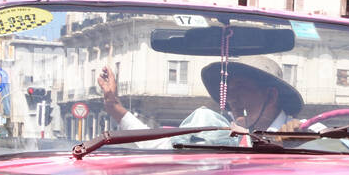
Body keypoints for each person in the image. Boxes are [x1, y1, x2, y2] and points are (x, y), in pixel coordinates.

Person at [97, 57, 303, 145]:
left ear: (271, 96)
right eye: (227, 90)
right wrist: (113, 106)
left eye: (241, 88)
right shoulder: (220, 134)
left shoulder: (310, 135)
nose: (231, 98)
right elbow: (162, 146)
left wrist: (304, 141)